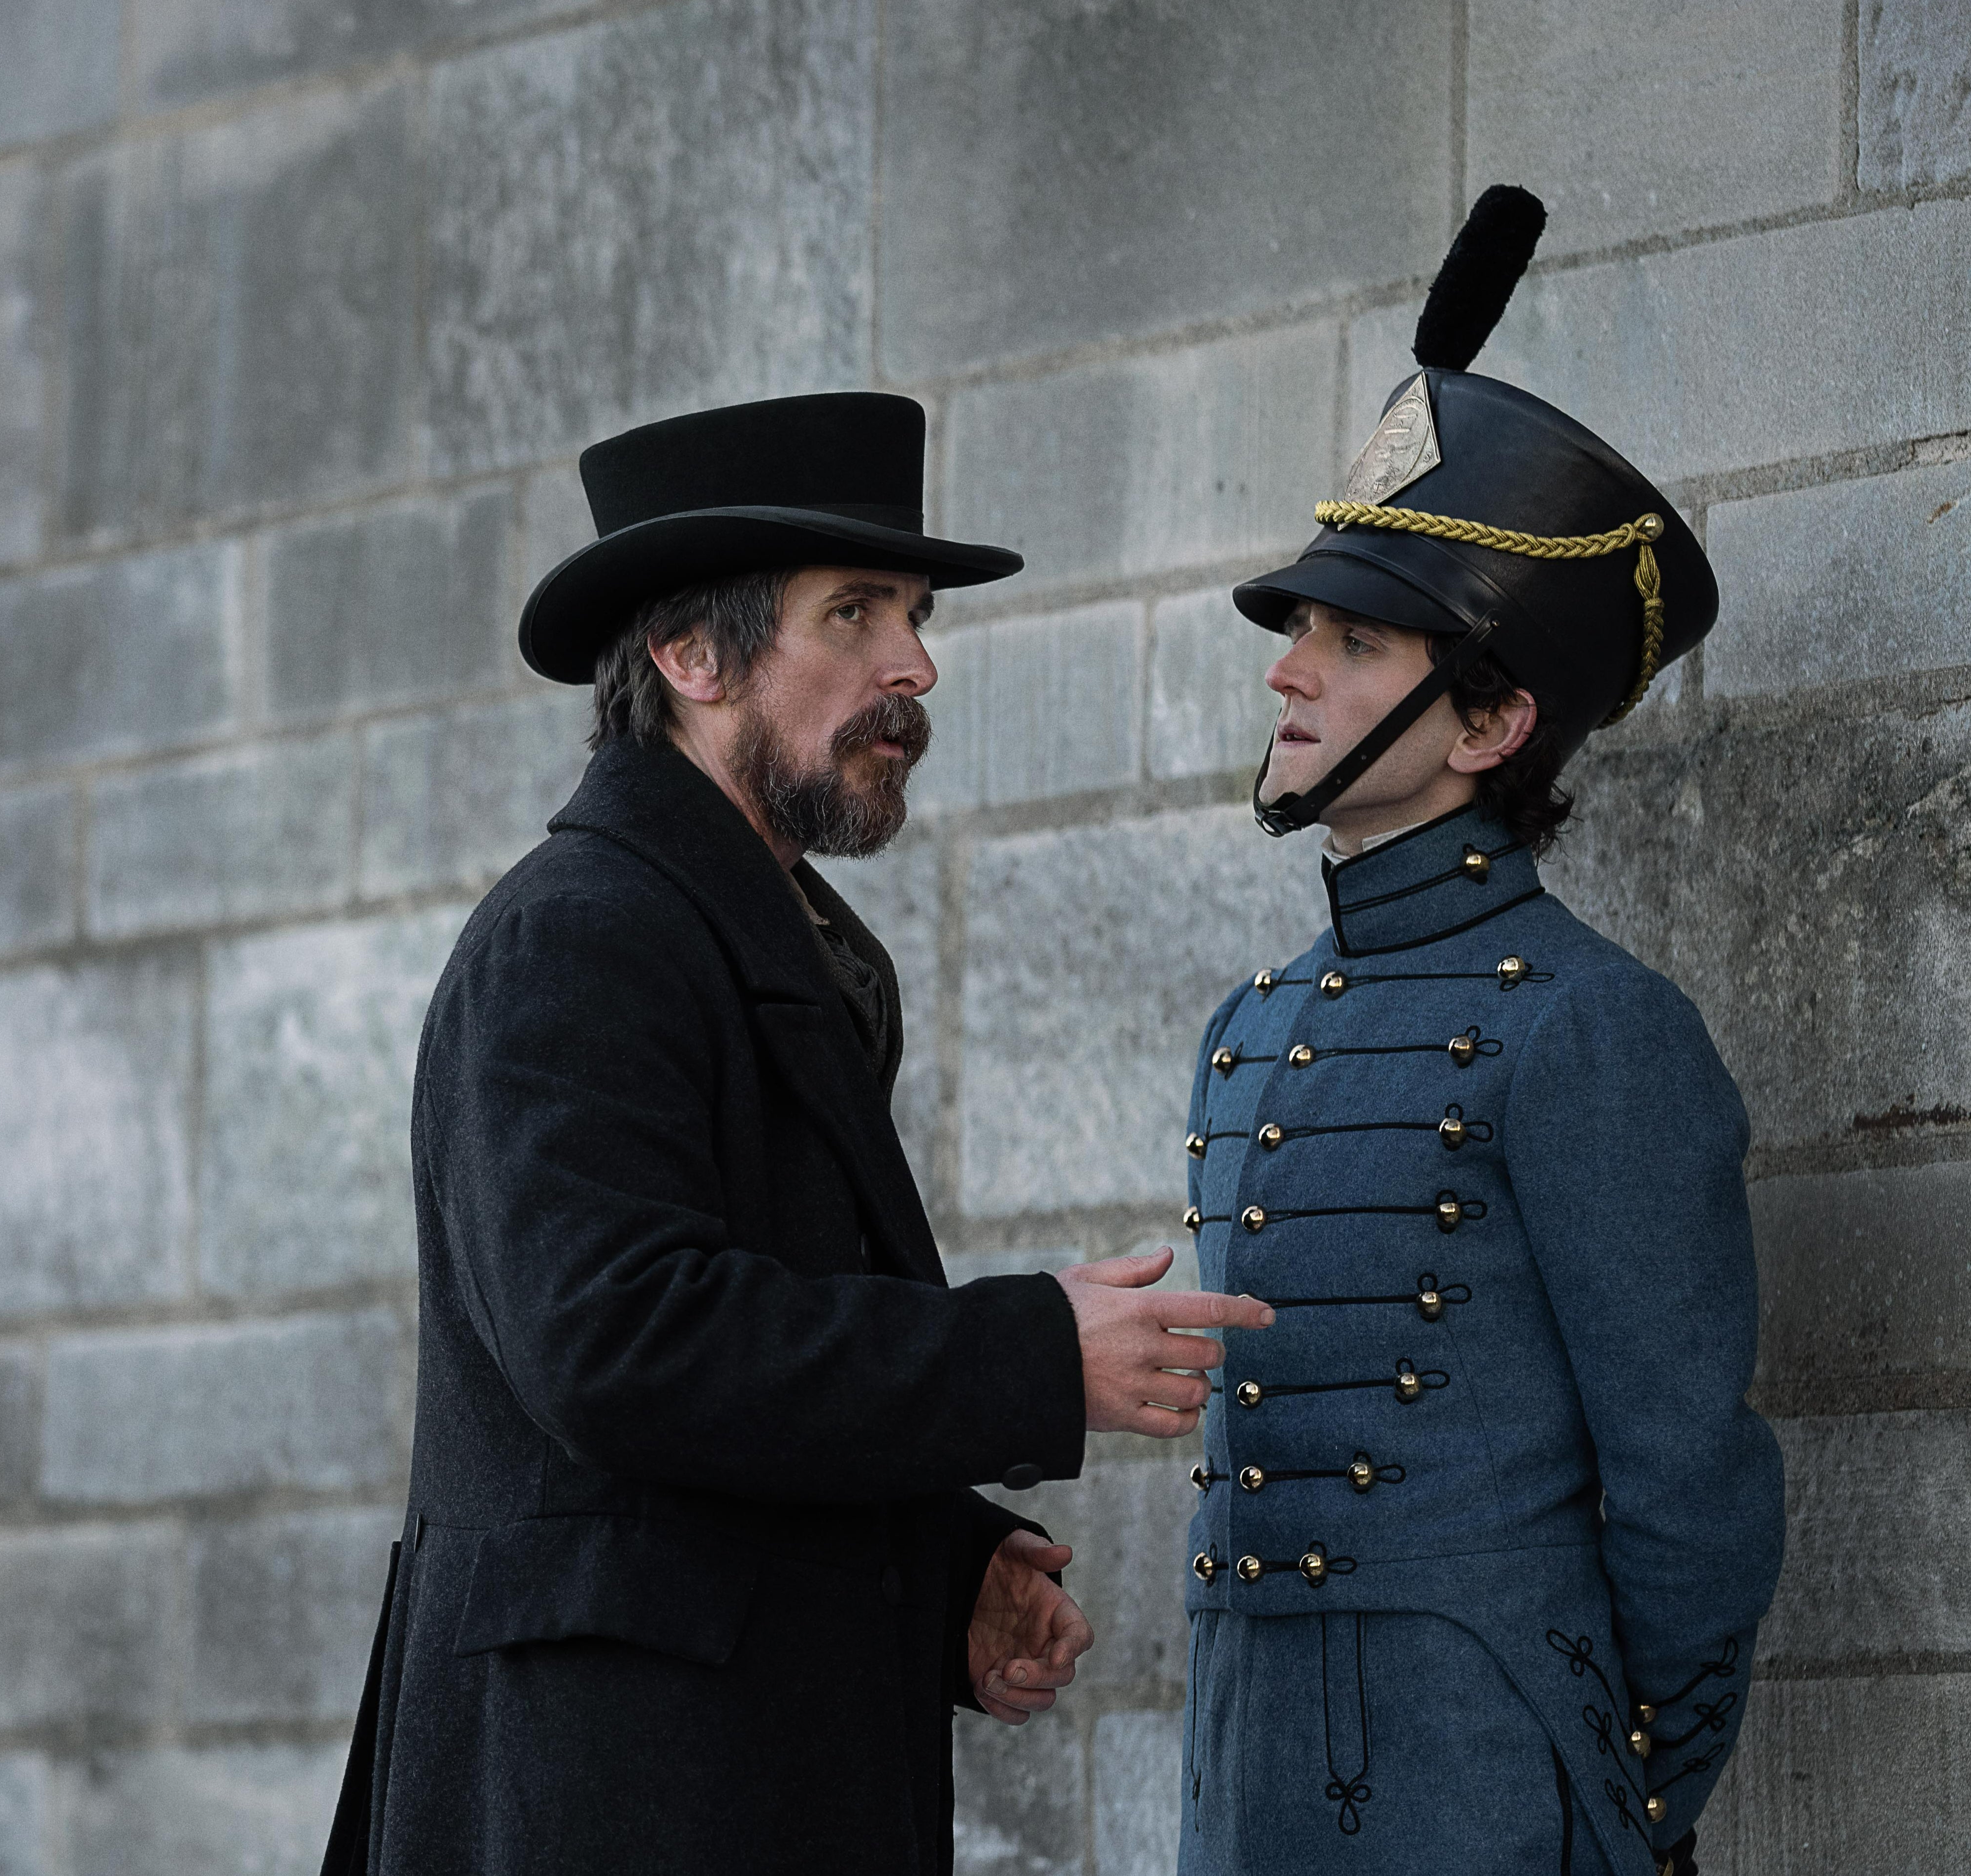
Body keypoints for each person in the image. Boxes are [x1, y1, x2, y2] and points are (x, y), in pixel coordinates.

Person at [320, 391, 1274, 1876]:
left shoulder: (772, 937)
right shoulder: (577, 934)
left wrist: (940, 1560)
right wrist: (1030, 1355)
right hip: (617, 1803)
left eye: (914, 611)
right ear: (691, 656)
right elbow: (617, 1342)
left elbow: (731, 1388)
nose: (916, 665)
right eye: (855, 613)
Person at [1173, 190, 1784, 1876]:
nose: (1291, 673)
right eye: (1301, 629)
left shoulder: (1594, 1029)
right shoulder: (1255, 1025)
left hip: (1485, 1790)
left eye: (1353, 640)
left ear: (1495, 720)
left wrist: (1623, 1801)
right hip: (1247, 1783)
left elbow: (1692, 1488)